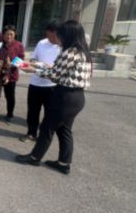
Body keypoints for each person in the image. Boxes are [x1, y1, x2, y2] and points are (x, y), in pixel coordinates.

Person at [15, 20, 92, 175]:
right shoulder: (82, 52)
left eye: (60, 35)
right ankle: (64, 163)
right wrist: (37, 65)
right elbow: (57, 69)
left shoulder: (69, 52)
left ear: (68, 35)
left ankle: (35, 157)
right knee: (64, 130)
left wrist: (32, 70)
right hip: (77, 97)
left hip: (65, 97)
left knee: (47, 128)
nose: (58, 38)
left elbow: (54, 75)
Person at [19, 21, 61, 143]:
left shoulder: (63, 47)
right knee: (33, 111)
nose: (50, 39)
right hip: (35, 84)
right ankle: (31, 133)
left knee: (50, 113)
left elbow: (59, 69)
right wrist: (30, 64)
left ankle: (44, 136)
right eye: (48, 35)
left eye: (53, 36)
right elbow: (33, 58)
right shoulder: (42, 43)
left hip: (52, 85)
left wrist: (48, 67)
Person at [0, 25, 25, 123]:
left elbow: (21, 59)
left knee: (10, 96)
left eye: (11, 34)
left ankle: (10, 113)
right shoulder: (0, 44)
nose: (9, 36)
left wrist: (11, 66)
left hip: (12, 75)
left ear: (15, 34)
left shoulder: (19, 45)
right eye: (7, 34)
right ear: (3, 35)